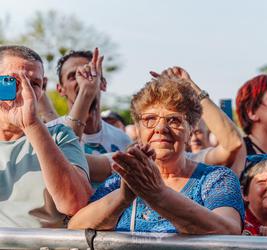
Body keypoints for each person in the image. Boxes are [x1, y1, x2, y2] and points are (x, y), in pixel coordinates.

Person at [68, 67, 244, 234]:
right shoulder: (123, 180)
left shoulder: (216, 179)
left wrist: (158, 194)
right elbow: (76, 226)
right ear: (138, 129)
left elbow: (228, 229)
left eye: (174, 120)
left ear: (191, 129)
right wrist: (122, 197)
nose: (161, 128)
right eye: (150, 119)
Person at [0, 45, 92, 228]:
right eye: (12, 82)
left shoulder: (59, 135)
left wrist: (32, 125)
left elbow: (76, 203)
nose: (24, 91)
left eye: (34, 83)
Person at [46, 49, 131, 155]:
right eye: (73, 76)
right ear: (60, 89)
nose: (82, 80)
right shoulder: (49, 134)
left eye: (89, 72)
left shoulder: (123, 140)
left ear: (103, 84)